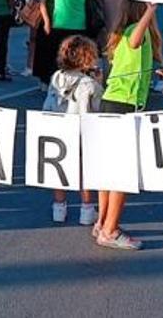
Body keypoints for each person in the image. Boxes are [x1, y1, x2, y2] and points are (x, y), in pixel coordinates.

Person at [95, 0, 159, 251]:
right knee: (123, 173)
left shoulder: (120, 34)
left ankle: (102, 222)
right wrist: (151, 11)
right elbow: (135, 41)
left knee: (108, 171)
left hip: (112, 101)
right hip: (124, 105)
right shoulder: (134, 32)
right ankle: (110, 230)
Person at [44, 35, 101, 226]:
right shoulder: (89, 84)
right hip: (81, 130)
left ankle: (59, 207)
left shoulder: (56, 77)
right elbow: (97, 107)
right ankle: (87, 209)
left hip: (58, 128)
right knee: (84, 170)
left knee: (59, 168)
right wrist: (99, 83)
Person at [36, 0, 90, 85]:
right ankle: (75, 83)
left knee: (59, 56)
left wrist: (47, 21)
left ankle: (56, 83)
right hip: (79, 25)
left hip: (59, 23)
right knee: (77, 56)